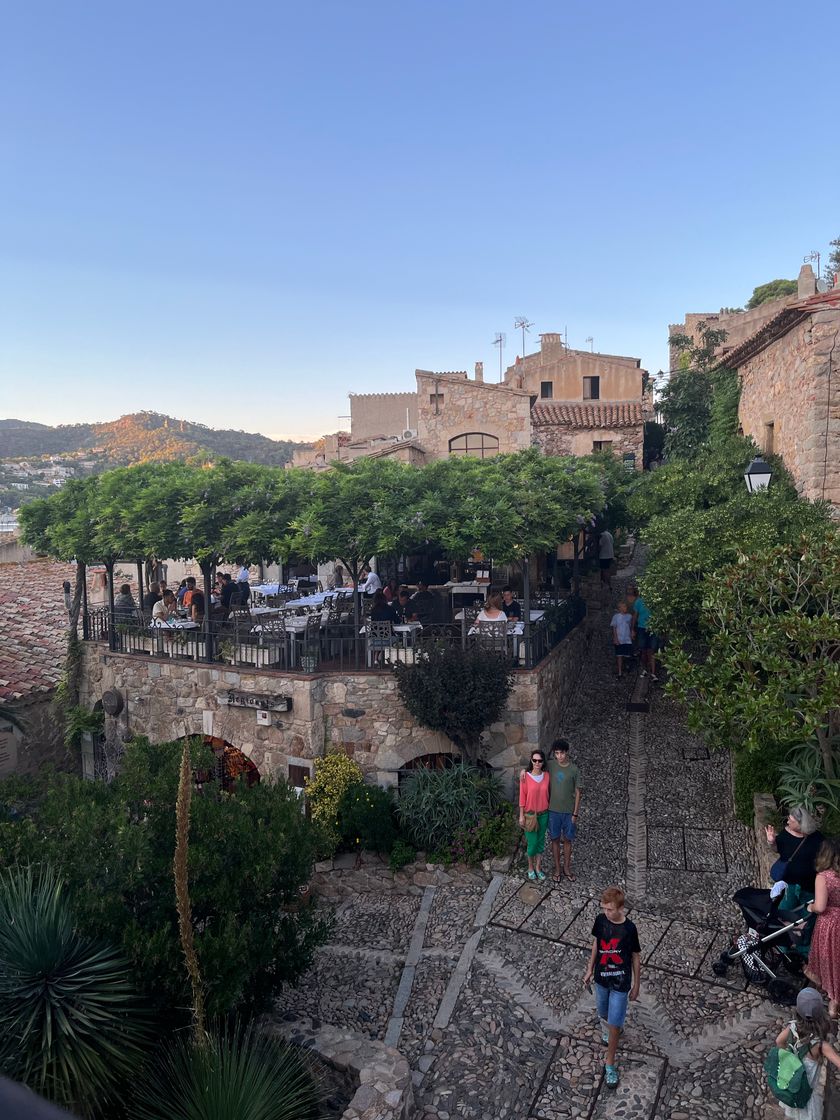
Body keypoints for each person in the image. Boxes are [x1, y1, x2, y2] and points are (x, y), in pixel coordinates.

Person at [582, 885, 641, 1090]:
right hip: (602, 980)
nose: (606, 913)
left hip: (621, 983)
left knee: (615, 1024)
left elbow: (635, 956)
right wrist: (590, 969)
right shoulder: (600, 921)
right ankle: (609, 1029)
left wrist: (636, 985)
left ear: (620, 908)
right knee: (603, 1013)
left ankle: (610, 1064)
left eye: (609, 909)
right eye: (604, 909)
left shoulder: (629, 929)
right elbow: (597, 945)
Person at [771, 987, 840, 1119]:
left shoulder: (792, 1028)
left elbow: (779, 1041)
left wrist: (788, 1056)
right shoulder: (820, 1045)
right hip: (807, 1090)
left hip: (792, 1080)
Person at [805, 838, 840, 1017]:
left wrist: (809, 907)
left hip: (831, 925)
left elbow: (820, 907)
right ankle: (835, 1003)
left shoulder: (824, 877)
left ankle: (833, 1001)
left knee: (831, 961)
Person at [546, 738, 583, 882]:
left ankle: (567, 867)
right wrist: (524, 771)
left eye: (561, 753)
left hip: (568, 812)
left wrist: (575, 813)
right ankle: (557, 868)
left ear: (566, 753)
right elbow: (534, 767)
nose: (559, 756)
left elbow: (578, 792)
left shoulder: (574, 769)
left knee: (568, 840)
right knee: (554, 840)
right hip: (553, 811)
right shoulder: (551, 765)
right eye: (556, 753)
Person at [765, 806, 824, 896]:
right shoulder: (785, 833)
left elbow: (825, 856)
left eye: (791, 821)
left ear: (801, 824)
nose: (788, 822)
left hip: (808, 885)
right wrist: (772, 842)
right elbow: (777, 850)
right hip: (789, 883)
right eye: (788, 818)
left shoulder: (816, 837)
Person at [519, 749, 550, 881]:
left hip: (544, 814)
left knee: (540, 842)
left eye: (540, 760)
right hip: (530, 815)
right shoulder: (525, 777)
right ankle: (530, 867)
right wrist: (521, 815)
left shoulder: (547, 776)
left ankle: (538, 867)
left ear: (543, 762)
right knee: (532, 844)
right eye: (534, 760)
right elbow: (522, 797)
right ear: (531, 761)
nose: (537, 763)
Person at [626, 585, 656, 680]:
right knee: (643, 651)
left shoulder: (655, 600)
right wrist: (632, 630)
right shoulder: (639, 602)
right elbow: (635, 616)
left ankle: (653, 672)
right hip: (641, 628)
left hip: (653, 628)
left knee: (652, 651)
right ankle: (644, 669)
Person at [610, 600, 634, 678]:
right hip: (619, 638)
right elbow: (614, 628)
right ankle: (620, 672)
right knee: (619, 655)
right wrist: (615, 638)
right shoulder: (616, 617)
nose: (625, 608)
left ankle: (627, 668)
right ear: (620, 608)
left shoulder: (629, 616)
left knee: (627, 655)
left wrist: (632, 633)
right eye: (623, 606)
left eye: (626, 606)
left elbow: (630, 627)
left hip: (627, 639)